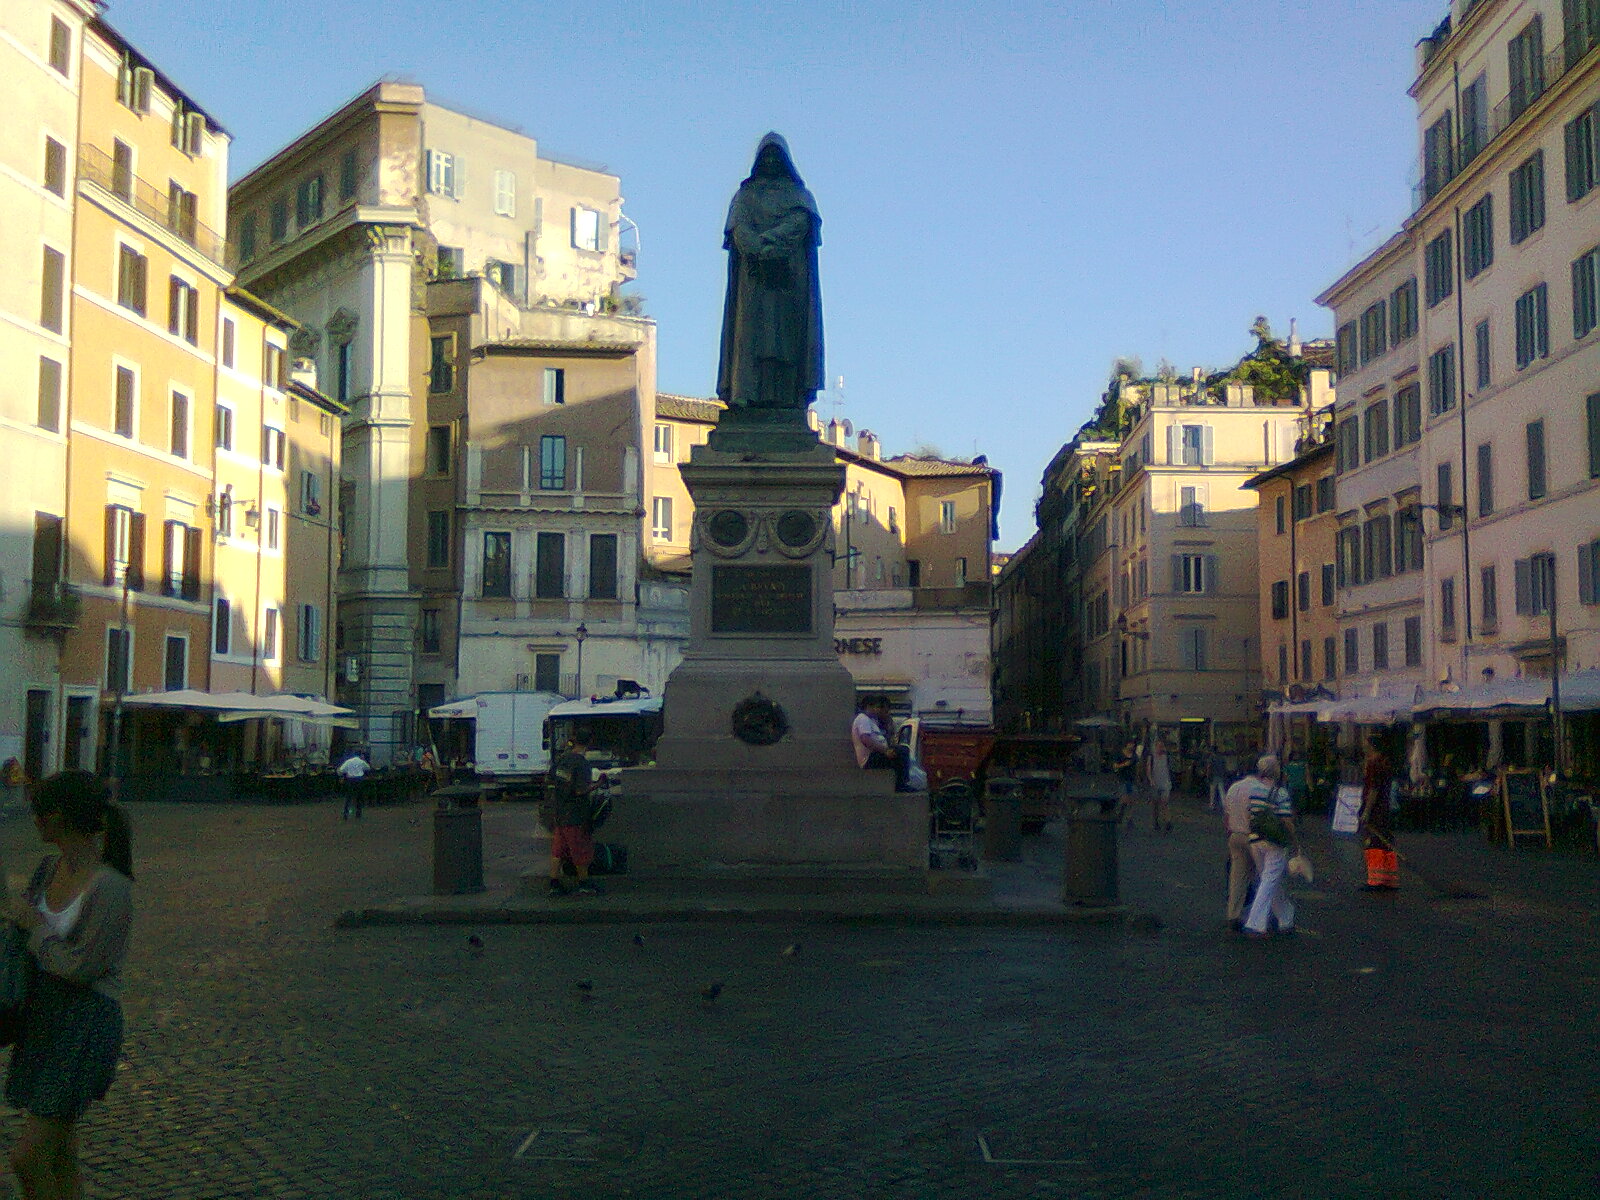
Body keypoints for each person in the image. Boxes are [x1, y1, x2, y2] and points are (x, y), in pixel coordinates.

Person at [2, 771, 133, 1200]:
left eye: (39, 810)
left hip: (84, 1025)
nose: (33, 819)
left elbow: (80, 968)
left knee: (29, 1158)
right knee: (60, 1155)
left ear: (57, 818)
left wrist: (34, 927)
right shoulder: (48, 867)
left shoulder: (110, 887)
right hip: (43, 1019)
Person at [717, 133, 824, 411]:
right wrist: (756, 248)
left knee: (786, 341)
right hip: (753, 280)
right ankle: (747, 395)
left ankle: (787, 397)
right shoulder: (745, 196)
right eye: (768, 155)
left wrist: (766, 245)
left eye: (778, 155)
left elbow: (801, 223)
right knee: (750, 338)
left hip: (789, 281)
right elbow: (738, 228)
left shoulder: (800, 196)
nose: (773, 160)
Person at [1243, 755, 1300, 937]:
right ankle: (1255, 922)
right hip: (1274, 841)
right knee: (1270, 880)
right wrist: (1295, 841)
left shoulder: (1253, 789)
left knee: (1269, 878)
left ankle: (1285, 916)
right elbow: (1286, 819)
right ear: (1276, 771)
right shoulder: (1281, 793)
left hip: (1255, 839)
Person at [1223, 756, 1276, 930]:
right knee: (1265, 877)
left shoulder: (1234, 788)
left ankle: (1233, 914)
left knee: (1237, 878)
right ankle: (1264, 916)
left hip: (1235, 835)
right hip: (1254, 837)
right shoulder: (1260, 789)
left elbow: (1227, 815)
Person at [545, 727, 599, 898]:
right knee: (580, 849)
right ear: (590, 742)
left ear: (574, 740)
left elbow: (551, 778)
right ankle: (583, 883)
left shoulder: (563, 759)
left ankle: (554, 884)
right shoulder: (582, 764)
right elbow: (580, 790)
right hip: (575, 814)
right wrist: (597, 785)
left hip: (559, 811)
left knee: (558, 850)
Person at [1359, 739, 1399, 890]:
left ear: (1372, 747)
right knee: (1386, 842)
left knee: (1373, 843)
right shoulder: (1385, 763)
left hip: (1375, 811)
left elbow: (1373, 790)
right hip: (1385, 808)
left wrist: (1366, 812)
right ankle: (1389, 878)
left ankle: (1375, 879)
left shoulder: (1373, 765)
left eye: (1367, 746)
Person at [851, 696, 909, 791]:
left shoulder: (872, 721)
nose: (876, 710)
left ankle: (900, 783)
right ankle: (901, 785)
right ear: (868, 707)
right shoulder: (863, 719)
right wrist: (885, 751)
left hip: (877, 754)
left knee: (899, 754)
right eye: (875, 707)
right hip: (870, 758)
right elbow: (865, 739)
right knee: (902, 751)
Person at [1146, 735, 1173, 833]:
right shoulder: (1151, 757)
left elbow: (1170, 768)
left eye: (1162, 746)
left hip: (1165, 783)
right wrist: (1150, 779)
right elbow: (1148, 768)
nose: (1160, 748)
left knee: (1165, 802)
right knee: (1155, 804)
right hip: (1155, 783)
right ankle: (1156, 821)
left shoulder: (1167, 756)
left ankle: (1168, 821)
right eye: (1158, 746)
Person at [335, 749, 371, 820]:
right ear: (360, 755)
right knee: (359, 798)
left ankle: (346, 814)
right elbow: (368, 768)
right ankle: (358, 814)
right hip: (359, 780)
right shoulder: (361, 761)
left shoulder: (348, 761)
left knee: (348, 797)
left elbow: (341, 770)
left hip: (350, 780)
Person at [1114, 741, 1139, 828]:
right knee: (1124, 798)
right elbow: (1115, 766)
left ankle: (1129, 818)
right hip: (1122, 779)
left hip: (1132, 780)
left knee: (1132, 799)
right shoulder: (1120, 755)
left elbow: (1137, 767)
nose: (1132, 746)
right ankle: (1120, 811)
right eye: (1130, 744)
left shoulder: (1134, 756)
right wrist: (1124, 764)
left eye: (1133, 744)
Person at [1206, 746, 1229, 813]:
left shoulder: (1211, 758)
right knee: (1222, 791)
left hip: (1213, 776)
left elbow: (1209, 767)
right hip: (1221, 776)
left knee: (1212, 791)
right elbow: (1225, 767)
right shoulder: (1222, 758)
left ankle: (1212, 805)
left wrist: (1208, 775)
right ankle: (1224, 806)